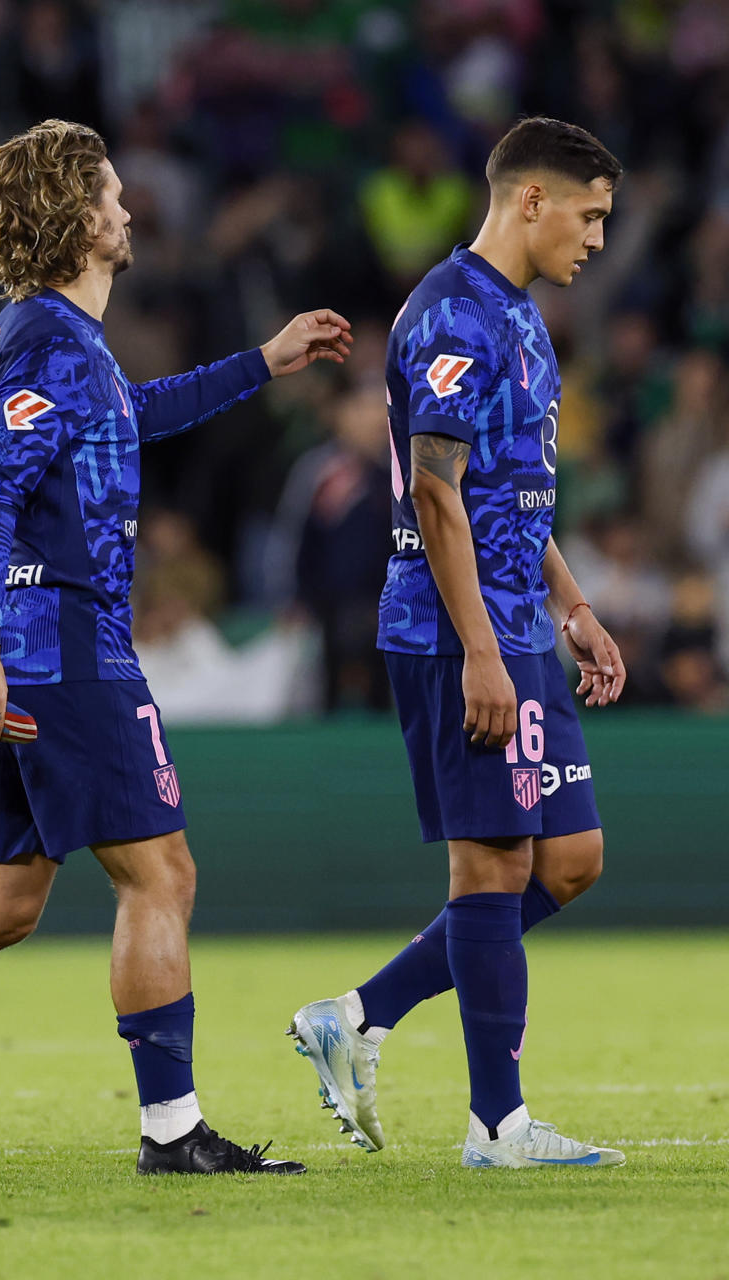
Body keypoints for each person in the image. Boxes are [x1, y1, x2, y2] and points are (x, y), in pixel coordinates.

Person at [0, 119, 348, 1176]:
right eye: (117, 196)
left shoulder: (56, 344)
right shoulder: (45, 338)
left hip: (35, 644)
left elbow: (133, 413)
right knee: (161, 873)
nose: (131, 212)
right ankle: (172, 1131)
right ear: (80, 217)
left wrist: (262, 363)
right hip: (60, 647)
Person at [289, 117, 628, 1170]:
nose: (599, 239)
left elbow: (512, 493)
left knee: (568, 858)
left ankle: (359, 1013)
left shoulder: (519, 315)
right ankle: (498, 1125)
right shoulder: (447, 315)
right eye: (591, 214)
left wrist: (571, 605)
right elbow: (437, 495)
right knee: (491, 860)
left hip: (521, 619)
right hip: (455, 630)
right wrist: (481, 646)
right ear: (532, 199)